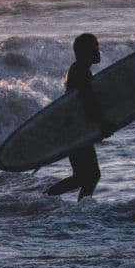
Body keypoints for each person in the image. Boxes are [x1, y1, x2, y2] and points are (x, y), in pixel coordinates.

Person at [45, 32, 113, 201]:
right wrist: (102, 124)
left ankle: (80, 206)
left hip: (76, 128)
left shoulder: (80, 70)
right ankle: (46, 198)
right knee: (88, 176)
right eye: (95, 48)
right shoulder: (80, 72)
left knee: (87, 175)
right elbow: (88, 102)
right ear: (84, 52)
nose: (98, 51)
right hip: (74, 130)